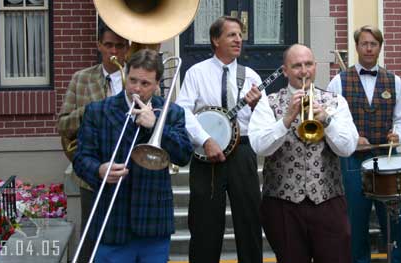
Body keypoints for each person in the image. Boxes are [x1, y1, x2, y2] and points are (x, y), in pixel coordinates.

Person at [73, 49, 192, 262]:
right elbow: (81, 158)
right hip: (112, 223)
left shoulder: (172, 112)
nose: (136, 88)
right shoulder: (98, 111)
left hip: (153, 223)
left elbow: (183, 155)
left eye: (145, 84)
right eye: (132, 80)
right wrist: (99, 170)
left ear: (157, 85)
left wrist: (156, 126)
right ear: (125, 76)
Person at [249, 44, 359, 263]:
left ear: (315, 67)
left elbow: (347, 148)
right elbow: (259, 146)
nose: (304, 71)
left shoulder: (336, 102)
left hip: (327, 201)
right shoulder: (267, 103)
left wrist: (326, 120)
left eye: (308, 64)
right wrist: (286, 119)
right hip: (282, 203)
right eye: (297, 66)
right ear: (285, 71)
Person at [176, 16, 264, 263]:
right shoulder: (196, 73)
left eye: (239, 35)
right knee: (204, 224)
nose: (238, 40)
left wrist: (257, 107)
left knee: (249, 220)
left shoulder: (251, 76)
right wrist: (205, 140)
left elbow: (264, 120)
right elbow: (182, 111)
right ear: (215, 40)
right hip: (206, 154)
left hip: (243, 151)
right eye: (231, 35)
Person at [327, 25, 401, 263]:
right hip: (353, 161)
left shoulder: (394, 81)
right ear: (356, 47)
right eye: (364, 43)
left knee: (395, 221)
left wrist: (398, 133)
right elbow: (329, 119)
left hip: (388, 159)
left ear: (380, 47)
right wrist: (353, 139)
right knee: (355, 223)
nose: (368, 48)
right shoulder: (338, 82)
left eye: (373, 44)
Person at [57, 24, 128, 262]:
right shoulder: (81, 78)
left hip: (129, 172)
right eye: (108, 45)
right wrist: (92, 110)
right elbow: (63, 125)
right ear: (99, 46)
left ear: (127, 49)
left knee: (128, 239)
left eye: (119, 45)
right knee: (92, 237)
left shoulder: (137, 79)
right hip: (93, 174)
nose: (113, 51)